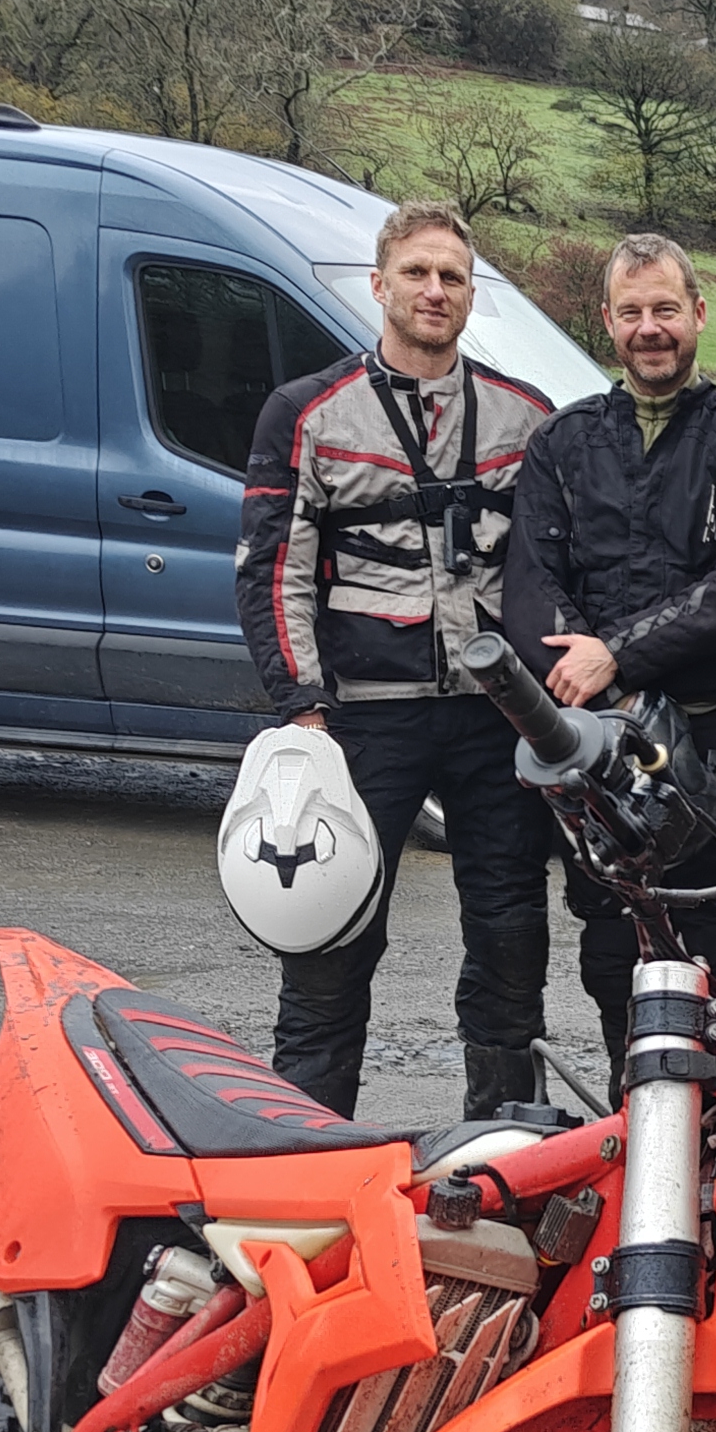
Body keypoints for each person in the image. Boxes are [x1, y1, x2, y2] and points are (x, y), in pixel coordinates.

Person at [234, 198, 554, 1121]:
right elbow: (274, 571)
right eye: (417, 272)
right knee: (330, 937)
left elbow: (552, 571)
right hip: (362, 720)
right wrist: (302, 709)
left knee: (511, 935)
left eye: (453, 276)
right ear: (379, 286)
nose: (435, 290)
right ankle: (306, 1146)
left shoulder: (526, 418)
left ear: (472, 295)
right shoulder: (307, 412)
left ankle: (504, 1140)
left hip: (495, 720)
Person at [503, 231, 716, 1086]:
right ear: (607, 322)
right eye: (631, 312)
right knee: (612, 951)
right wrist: (594, 682)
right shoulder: (561, 444)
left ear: (698, 313)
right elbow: (530, 582)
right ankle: (638, 1132)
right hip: (597, 756)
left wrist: (618, 657)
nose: (649, 328)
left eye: (665, 309)